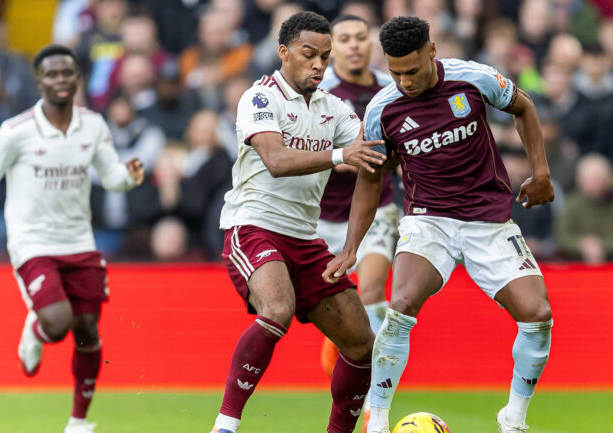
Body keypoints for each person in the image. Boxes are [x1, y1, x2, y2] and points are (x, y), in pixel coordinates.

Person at [324, 17, 555, 433]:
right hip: (429, 220)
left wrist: (541, 172)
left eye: (411, 71)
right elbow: (371, 179)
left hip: (489, 220)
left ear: (432, 51)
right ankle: (377, 419)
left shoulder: (473, 79)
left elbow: (524, 106)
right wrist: (350, 247)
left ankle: (513, 418)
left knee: (538, 314)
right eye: (395, 72)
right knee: (401, 304)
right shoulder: (382, 109)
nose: (404, 81)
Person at [212, 12, 387, 433]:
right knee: (277, 309)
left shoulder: (335, 110)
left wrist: (351, 246)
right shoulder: (259, 98)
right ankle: (225, 425)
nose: (318, 66)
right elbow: (275, 160)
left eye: (325, 58)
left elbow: (372, 165)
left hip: (305, 239)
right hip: (252, 225)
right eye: (309, 55)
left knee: (361, 341)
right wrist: (340, 156)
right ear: (284, 53)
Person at [0, 45, 144, 433]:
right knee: (58, 321)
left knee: (87, 331)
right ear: (38, 81)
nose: (60, 80)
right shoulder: (16, 131)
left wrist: (129, 176)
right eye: (52, 74)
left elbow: (110, 176)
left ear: (77, 78)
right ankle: (35, 328)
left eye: (67, 73)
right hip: (32, 243)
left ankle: (78, 422)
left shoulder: (93, 125)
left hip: (79, 241)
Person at [316, 14, 398, 381]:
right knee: (330, 304)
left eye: (360, 37)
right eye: (344, 38)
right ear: (333, 49)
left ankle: (371, 393)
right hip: (323, 215)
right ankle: (344, 343)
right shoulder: (319, 93)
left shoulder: (391, 89)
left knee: (373, 288)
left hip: (378, 206)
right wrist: (349, 158)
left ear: (371, 44)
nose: (353, 45)